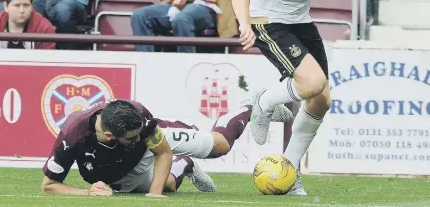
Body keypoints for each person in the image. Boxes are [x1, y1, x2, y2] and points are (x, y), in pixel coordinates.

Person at [231, 0, 378, 196]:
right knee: (312, 83)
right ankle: (264, 102)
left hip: (299, 21)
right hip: (268, 20)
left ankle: (290, 168)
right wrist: (244, 23)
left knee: (321, 99)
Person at [42, 96, 293, 196]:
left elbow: (161, 150)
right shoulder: (72, 135)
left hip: (159, 136)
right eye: (131, 139)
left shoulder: (139, 118)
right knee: (170, 184)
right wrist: (85, 192)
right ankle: (185, 165)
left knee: (220, 145)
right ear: (109, 136)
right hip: (122, 173)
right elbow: (49, 185)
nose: (136, 140)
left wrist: (154, 195)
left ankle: (251, 106)